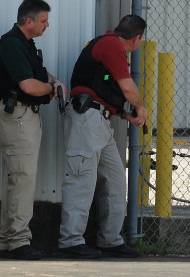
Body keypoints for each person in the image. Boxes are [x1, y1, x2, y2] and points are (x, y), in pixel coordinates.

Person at [58, 14, 147, 259]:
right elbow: (127, 87)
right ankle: (71, 241)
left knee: (116, 181)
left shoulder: (109, 45)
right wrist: (140, 108)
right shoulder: (111, 45)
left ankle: (110, 240)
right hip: (87, 120)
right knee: (81, 180)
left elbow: (103, 88)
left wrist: (124, 113)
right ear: (137, 38)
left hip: (100, 121)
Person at [0, 0, 66, 260]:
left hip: (25, 117)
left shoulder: (26, 44)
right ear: (29, 21)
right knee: (22, 179)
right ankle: (18, 241)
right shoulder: (12, 45)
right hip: (19, 117)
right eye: (44, 21)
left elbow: (39, 75)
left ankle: (7, 240)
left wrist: (53, 81)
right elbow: (29, 85)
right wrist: (52, 89)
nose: (47, 25)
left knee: (17, 179)